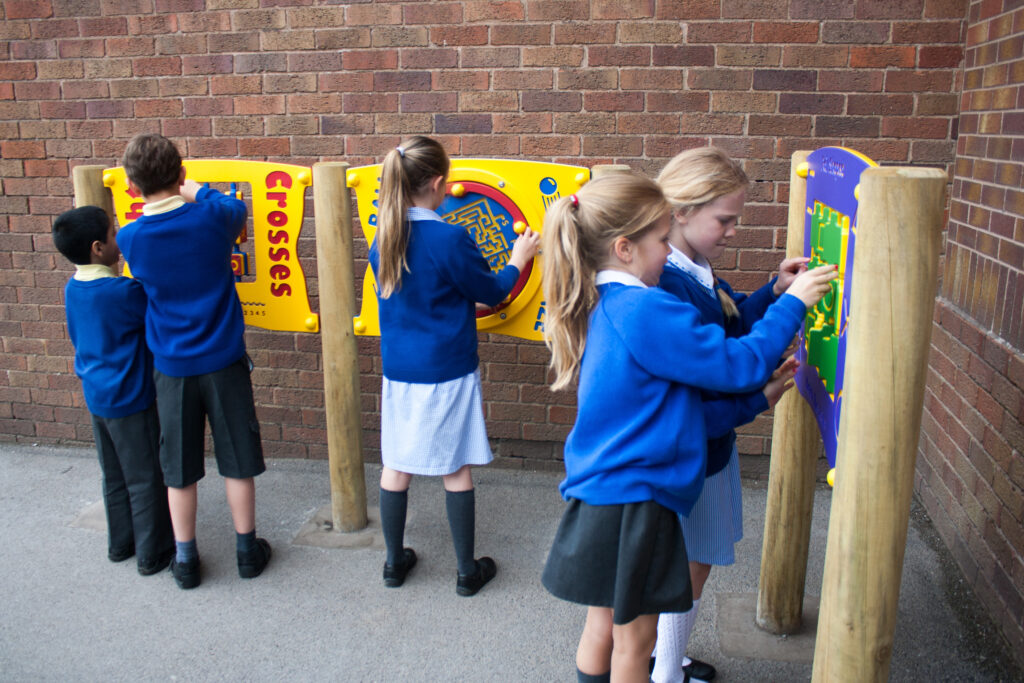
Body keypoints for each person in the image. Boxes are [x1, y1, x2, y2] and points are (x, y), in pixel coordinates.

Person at [539, 172, 836, 683]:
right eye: (660, 241)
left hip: (602, 491)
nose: (667, 252)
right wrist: (792, 303)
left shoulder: (603, 302)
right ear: (625, 248)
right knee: (637, 642)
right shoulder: (646, 308)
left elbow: (671, 416)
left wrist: (755, 402)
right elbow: (738, 362)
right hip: (637, 501)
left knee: (602, 626)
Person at [650, 147, 810, 683]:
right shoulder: (668, 286)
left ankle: (666, 660)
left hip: (707, 449)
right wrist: (755, 400)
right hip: (693, 452)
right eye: (726, 219)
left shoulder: (691, 267)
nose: (734, 230)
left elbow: (729, 320)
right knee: (686, 571)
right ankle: (665, 669)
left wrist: (773, 291)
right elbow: (726, 366)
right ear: (681, 211)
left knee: (692, 566)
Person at [368, 135, 540, 596]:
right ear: (439, 183)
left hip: (399, 371)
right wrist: (517, 259)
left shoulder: (382, 236)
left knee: (396, 465)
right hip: (447, 368)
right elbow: (490, 290)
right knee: (456, 466)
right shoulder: (449, 236)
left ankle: (392, 563)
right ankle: (466, 570)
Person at [116, 133, 270, 590]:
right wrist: (196, 188)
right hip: (223, 358)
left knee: (178, 467)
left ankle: (186, 560)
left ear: (131, 185)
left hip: (171, 366)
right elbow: (236, 211)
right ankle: (247, 551)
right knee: (237, 459)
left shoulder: (130, 238)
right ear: (180, 175)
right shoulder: (210, 218)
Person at [52, 205, 174, 576]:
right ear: (97, 248)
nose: (118, 235)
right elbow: (157, 309)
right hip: (130, 398)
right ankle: (153, 553)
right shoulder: (122, 292)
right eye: (112, 232)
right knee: (145, 476)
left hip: (97, 396)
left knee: (115, 474)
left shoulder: (73, 288)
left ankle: (121, 543)